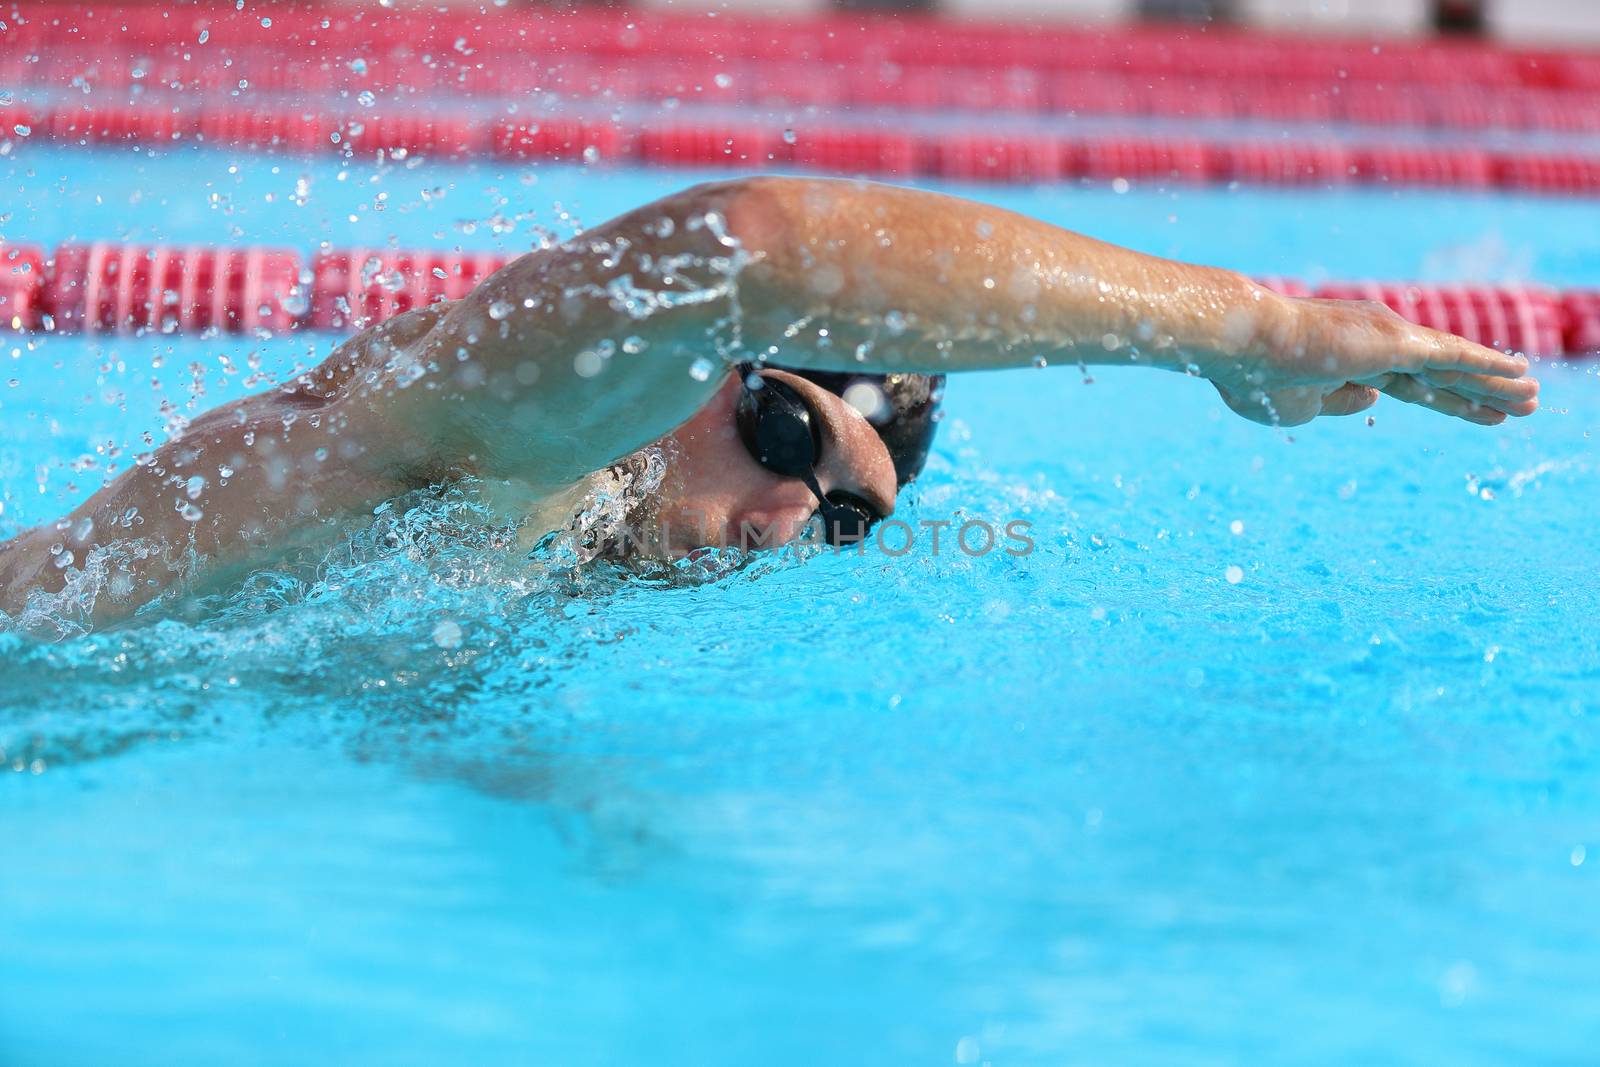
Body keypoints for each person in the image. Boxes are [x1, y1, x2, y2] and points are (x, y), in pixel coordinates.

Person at [0, 176, 1539, 629]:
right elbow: (749, 251)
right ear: (702, 383)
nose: (796, 515)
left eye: (848, 517)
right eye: (790, 435)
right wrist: (1244, 330)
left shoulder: (516, 556)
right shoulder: (498, 443)